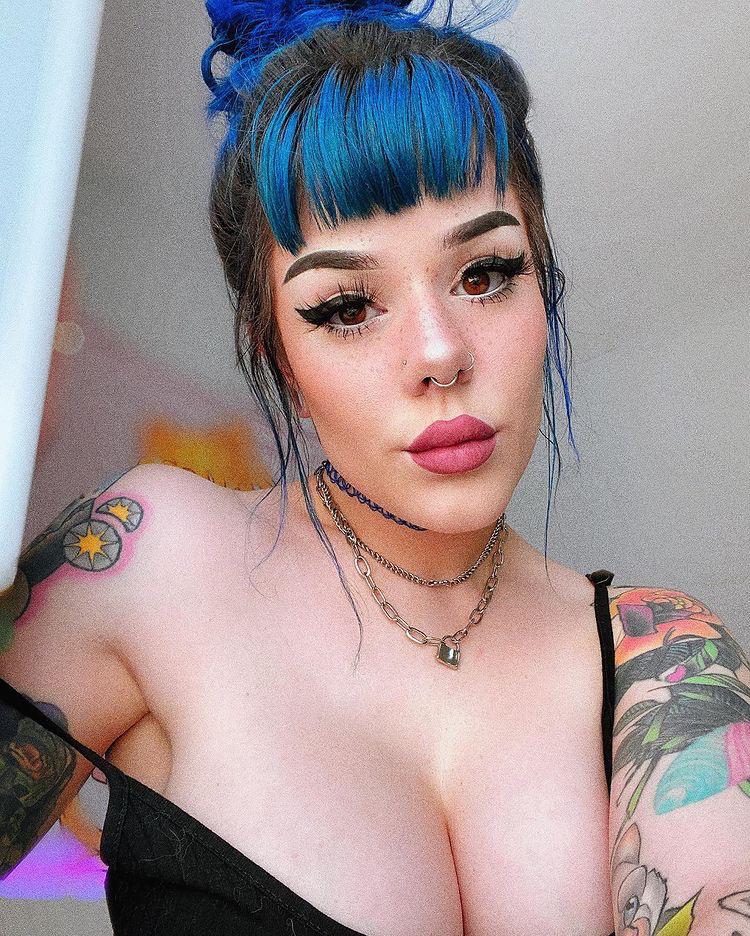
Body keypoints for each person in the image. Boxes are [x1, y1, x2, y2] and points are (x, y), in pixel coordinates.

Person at [1, 2, 748, 934]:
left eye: (485, 274)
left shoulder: (664, 658)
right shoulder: (147, 562)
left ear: (545, 285)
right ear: (277, 354)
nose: (439, 352)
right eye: (348, 307)